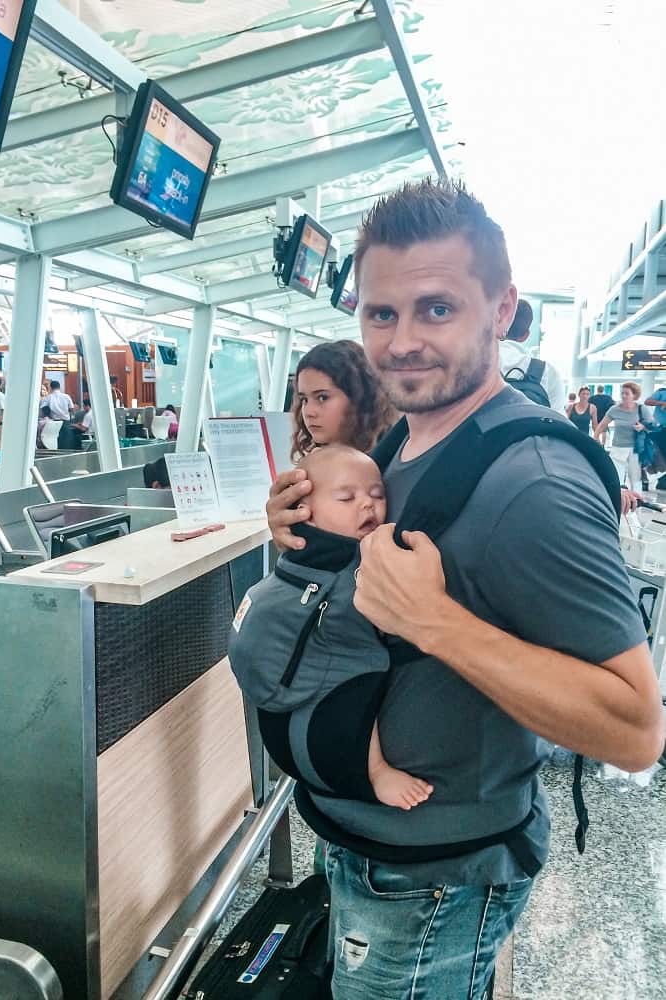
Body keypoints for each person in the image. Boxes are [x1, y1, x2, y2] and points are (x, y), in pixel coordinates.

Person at [266, 179, 663, 999]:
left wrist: (438, 623)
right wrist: (308, 539)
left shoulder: (536, 481)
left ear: (502, 307)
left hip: (433, 883)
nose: (404, 341)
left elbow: (635, 730)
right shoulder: (408, 443)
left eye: (437, 309)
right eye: (382, 314)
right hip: (377, 851)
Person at [232, 444, 434, 810]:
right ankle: (376, 770)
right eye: (346, 498)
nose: (368, 505)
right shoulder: (354, 561)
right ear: (305, 513)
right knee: (362, 678)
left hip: (282, 702)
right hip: (333, 676)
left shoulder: (304, 549)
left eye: (377, 495)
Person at [291, 340, 397, 461]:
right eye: (304, 399)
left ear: (358, 397)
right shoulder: (318, 460)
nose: (309, 412)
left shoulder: (389, 462)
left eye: (322, 398)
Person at [498, 298, 566, 410]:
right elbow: (559, 420)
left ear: (497, 323)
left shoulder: (477, 366)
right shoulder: (547, 372)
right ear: (526, 335)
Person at [595, 381, 648, 487]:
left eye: (627, 393)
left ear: (635, 395)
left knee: (635, 478)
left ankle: (636, 499)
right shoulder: (615, 409)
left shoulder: (642, 409)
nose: (623, 396)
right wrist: (595, 437)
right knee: (616, 477)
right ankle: (618, 500)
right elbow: (602, 425)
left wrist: (642, 426)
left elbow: (652, 426)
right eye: (622, 393)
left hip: (635, 449)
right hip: (617, 448)